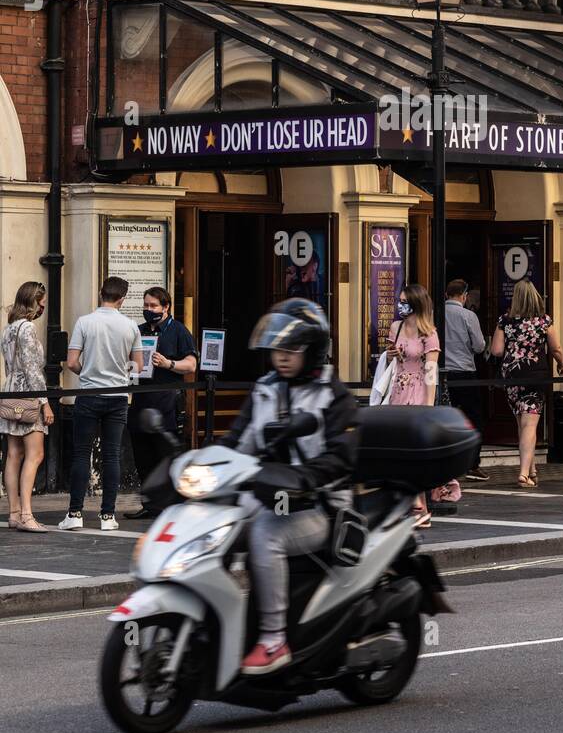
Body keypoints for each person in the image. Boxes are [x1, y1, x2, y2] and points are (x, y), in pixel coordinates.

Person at [222, 299, 358, 675]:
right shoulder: (265, 389)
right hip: (270, 494)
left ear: (312, 349)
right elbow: (238, 442)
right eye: (277, 349)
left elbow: (341, 459)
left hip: (322, 505)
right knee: (217, 525)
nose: (281, 358)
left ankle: (272, 639)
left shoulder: (333, 396)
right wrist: (199, 466)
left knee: (265, 533)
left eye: (291, 350)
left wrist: (305, 479)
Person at [59, 277, 143, 531]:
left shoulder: (85, 322)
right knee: (112, 455)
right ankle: (108, 516)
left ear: (100, 294)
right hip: (117, 397)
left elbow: (71, 361)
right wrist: (121, 372)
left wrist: (88, 372)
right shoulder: (130, 326)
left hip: (89, 394)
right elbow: (137, 366)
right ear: (122, 299)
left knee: (82, 453)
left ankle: (74, 513)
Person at [125, 286, 198, 521]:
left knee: (165, 454)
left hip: (167, 401)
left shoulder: (177, 330)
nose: (149, 310)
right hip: (140, 400)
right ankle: (151, 505)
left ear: (166, 307)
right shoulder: (139, 331)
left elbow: (191, 364)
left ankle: (173, 506)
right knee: (142, 454)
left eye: (153, 306)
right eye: (146, 305)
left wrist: (169, 364)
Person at [385, 283, 451, 526]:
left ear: (416, 304)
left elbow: (431, 370)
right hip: (397, 391)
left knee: (412, 452)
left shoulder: (428, 332)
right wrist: (391, 355)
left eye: (404, 301)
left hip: (418, 391)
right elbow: (391, 358)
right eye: (399, 300)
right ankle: (416, 506)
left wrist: (429, 404)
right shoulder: (396, 327)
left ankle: (417, 506)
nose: (400, 305)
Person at [490, 279, 563, 489]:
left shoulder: (505, 321)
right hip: (535, 374)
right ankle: (523, 473)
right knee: (530, 424)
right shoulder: (544, 321)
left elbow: (496, 350)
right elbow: (556, 348)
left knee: (521, 423)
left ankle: (531, 469)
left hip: (512, 375)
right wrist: (561, 364)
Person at [0, 281, 54, 531]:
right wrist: (45, 404)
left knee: (13, 454)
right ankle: (27, 515)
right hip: (28, 393)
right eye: (41, 302)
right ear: (33, 302)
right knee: (35, 454)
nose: (43, 307)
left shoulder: (8, 328)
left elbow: (10, 366)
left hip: (9, 391)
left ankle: (13, 513)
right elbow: (33, 369)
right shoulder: (28, 328)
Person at [442, 278, 488, 482]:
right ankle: (472, 464)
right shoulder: (469, 315)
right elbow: (479, 346)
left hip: (442, 374)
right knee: (473, 418)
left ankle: (445, 462)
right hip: (465, 371)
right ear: (464, 295)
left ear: (446, 295)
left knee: (444, 418)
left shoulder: (436, 313)